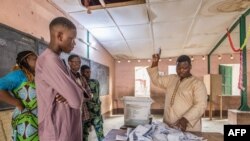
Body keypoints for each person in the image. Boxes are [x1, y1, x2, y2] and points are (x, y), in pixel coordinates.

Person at [35, 17, 83, 141]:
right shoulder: (49, 60)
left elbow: (80, 90)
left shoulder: (59, 61)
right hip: (57, 131)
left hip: (67, 128)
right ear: (60, 36)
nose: (74, 43)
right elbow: (76, 100)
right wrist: (72, 92)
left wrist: (71, 92)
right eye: (71, 39)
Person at [147, 54, 207, 132]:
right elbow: (156, 80)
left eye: (185, 68)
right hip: (168, 126)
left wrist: (185, 119)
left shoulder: (197, 83)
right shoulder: (172, 79)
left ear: (190, 67)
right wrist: (155, 63)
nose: (181, 70)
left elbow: (201, 105)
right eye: (178, 68)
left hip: (187, 127)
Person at [0, 50, 38, 141]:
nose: (39, 61)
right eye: (35, 59)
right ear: (26, 60)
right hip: (26, 120)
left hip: (41, 119)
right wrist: (17, 103)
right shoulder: (19, 75)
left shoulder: (38, 75)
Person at [81, 65, 104, 141]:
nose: (89, 74)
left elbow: (96, 97)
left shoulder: (95, 82)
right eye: (87, 72)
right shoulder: (79, 83)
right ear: (82, 72)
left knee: (100, 133)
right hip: (85, 114)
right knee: (84, 135)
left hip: (96, 113)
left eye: (89, 72)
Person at [67, 54, 91, 121]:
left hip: (82, 111)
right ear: (69, 63)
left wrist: (79, 99)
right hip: (70, 111)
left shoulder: (82, 78)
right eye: (76, 62)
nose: (78, 64)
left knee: (81, 130)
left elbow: (89, 94)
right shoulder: (66, 77)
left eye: (79, 62)